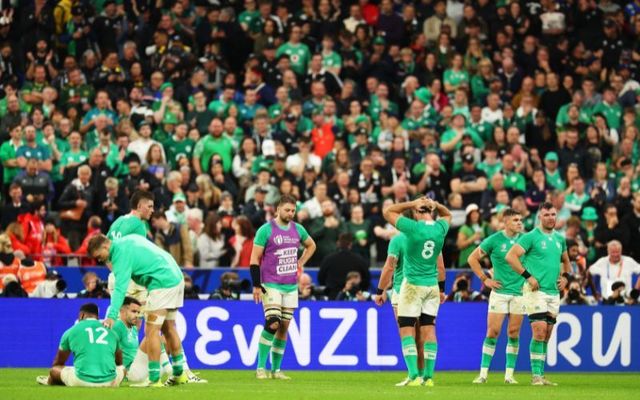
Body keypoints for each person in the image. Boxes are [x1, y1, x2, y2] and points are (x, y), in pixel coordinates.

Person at [88, 233, 189, 387]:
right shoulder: (127, 240)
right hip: (175, 276)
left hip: (162, 282)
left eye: (99, 255)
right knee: (168, 328)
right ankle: (179, 374)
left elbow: (121, 289)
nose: (99, 260)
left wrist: (111, 316)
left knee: (151, 331)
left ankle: (154, 379)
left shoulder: (119, 256)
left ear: (105, 246)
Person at [382, 196, 451, 386]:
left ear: (415, 212)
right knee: (429, 331)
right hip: (432, 287)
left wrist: (412, 203)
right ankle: (428, 377)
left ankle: (412, 375)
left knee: (406, 331)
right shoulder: (440, 229)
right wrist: (436, 205)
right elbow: (448, 214)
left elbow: (388, 211)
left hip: (412, 286)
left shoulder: (412, 228)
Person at [250, 194, 316, 379]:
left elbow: (311, 246)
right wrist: (256, 285)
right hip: (270, 283)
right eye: (287, 210)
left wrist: (301, 262)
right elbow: (254, 259)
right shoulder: (266, 230)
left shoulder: (298, 229)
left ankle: (276, 370)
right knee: (273, 322)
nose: (290, 213)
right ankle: (260, 368)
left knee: (283, 327)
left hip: (290, 285)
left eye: (293, 210)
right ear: (277, 209)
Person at [505, 202, 572, 386]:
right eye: (547, 215)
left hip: (553, 292)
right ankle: (535, 376)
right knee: (539, 331)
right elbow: (511, 256)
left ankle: (541, 375)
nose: (550, 217)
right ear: (539, 217)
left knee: (548, 334)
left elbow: (567, 262)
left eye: (553, 214)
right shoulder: (531, 237)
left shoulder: (560, 238)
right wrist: (528, 276)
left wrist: (565, 278)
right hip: (535, 291)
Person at [467, 208, 525, 384]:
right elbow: (472, 259)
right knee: (493, 332)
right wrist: (485, 279)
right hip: (499, 292)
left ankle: (509, 375)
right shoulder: (494, 240)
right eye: (515, 220)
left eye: (520, 220)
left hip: (520, 293)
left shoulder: (525, 240)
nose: (519, 223)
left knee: (514, 333)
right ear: (505, 221)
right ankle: (483, 374)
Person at [36, 303, 125, 387]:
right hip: (109, 382)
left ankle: (49, 381)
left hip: (81, 380)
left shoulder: (71, 331)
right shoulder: (112, 332)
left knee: (54, 370)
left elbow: (58, 362)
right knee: (123, 369)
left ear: (81, 315)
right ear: (97, 317)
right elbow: (119, 362)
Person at [114, 297, 173, 383]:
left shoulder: (133, 328)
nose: (137, 315)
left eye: (138, 312)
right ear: (122, 311)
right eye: (133, 311)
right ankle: (170, 371)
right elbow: (109, 351)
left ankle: (165, 371)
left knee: (165, 337)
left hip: (141, 369)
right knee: (151, 334)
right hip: (130, 373)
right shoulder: (117, 326)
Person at [318, 233, 370, 300]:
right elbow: (366, 280)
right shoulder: (359, 260)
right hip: (354, 299)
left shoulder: (328, 259)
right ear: (351, 244)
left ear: (338, 243)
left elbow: (321, 278)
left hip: (332, 298)